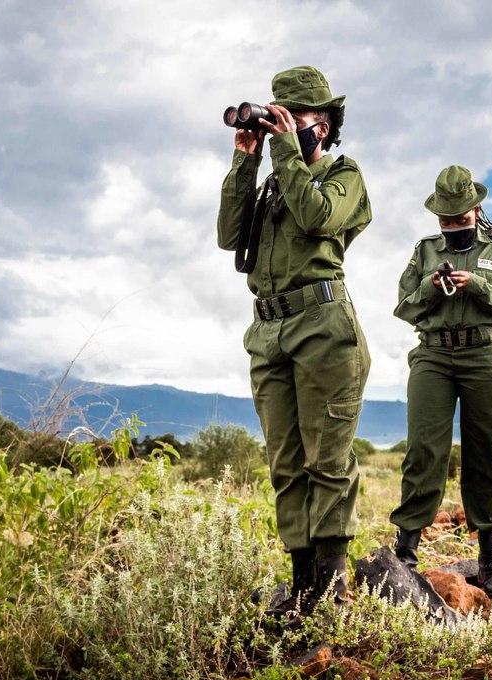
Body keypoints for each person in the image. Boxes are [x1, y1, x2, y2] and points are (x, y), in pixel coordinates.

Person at [216, 66, 372, 622]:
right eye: (274, 113)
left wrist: (285, 151)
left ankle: (329, 594)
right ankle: (302, 585)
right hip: (269, 331)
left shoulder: (343, 175)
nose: (280, 124)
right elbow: (229, 238)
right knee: (286, 463)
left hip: (324, 328)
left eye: (294, 118)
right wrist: (247, 158)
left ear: (323, 127)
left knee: (327, 461)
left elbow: (318, 218)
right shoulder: (274, 181)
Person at [389, 166, 492, 598]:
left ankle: (490, 558)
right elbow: (404, 306)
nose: (451, 227)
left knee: (486, 451)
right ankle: (407, 552)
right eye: (445, 221)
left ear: (476, 209)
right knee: (423, 450)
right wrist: (433, 288)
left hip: (485, 355)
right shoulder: (425, 251)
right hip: (433, 354)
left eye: (460, 219)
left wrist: (479, 285)